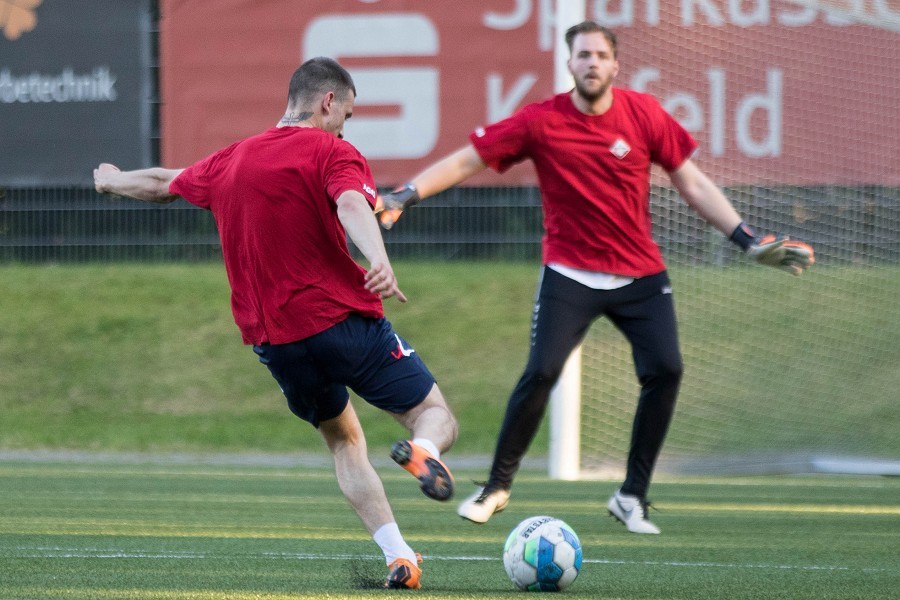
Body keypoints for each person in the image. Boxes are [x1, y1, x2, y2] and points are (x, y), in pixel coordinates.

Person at [377, 21, 813, 534]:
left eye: (600, 54)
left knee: (666, 370)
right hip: (570, 272)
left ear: (615, 64)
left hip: (640, 274)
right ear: (570, 63)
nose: (591, 63)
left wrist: (746, 239)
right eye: (582, 54)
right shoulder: (541, 121)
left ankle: (632, 496)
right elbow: (469, 159)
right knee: (540, 374)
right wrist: (407, 193)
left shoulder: (644, 114)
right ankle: (496, 486)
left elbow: (691, 181)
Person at [93, 57, 458, 589]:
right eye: (346, 115)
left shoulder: (232, 160)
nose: (345, 126)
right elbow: (353, 202)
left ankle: (400, 557)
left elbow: (161, 182)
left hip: (279, 344)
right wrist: (377, 257)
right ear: (328, 102)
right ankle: (424, 454)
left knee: (343, 440)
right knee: (433, 412)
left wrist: (110, 181)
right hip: (342, 322)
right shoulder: (332, 150)